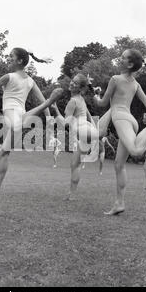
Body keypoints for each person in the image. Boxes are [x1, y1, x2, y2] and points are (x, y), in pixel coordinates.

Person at [0, 48, 63, 203]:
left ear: (19, 61)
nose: (8, 58)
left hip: (12, 115)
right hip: (22, 118)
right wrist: (50, 126)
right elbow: (42, 102)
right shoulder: (31, 81)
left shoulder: (8, 77)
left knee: (16, 123)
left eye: (11, 56)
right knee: (4, 152)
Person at [93, 49, 146, 215]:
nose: (119, 58)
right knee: (118, 164)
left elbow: (102, 103)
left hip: (121, 119)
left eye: (122, 57)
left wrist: (95, 96)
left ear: (129, 64)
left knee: (136, 151)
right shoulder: (136, 84)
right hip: (131, 121)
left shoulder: (115, 79)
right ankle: (119, 204)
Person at [52, 73, 112, 201]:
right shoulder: (81, 99)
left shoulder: (73, 101)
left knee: (97, 134)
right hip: (85, 133)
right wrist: (94, 126)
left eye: (75, 83)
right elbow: (89, 115)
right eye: (72, 81)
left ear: (80, 88)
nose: (72, 83)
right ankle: (72, 195)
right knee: (74, 164)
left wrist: (55, 109)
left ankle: (112, 112)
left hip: (82, 130)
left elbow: (65, 123)